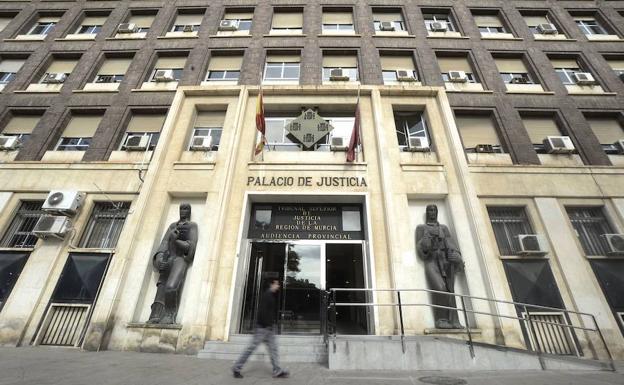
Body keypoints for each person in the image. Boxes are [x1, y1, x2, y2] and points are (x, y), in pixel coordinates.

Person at [147, 203, 198, 324]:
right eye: (181, 208)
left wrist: (176, 241)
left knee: (171, 286)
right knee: (161, 286)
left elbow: (191, 246)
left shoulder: (192, 226)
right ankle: (156, 315)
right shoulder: (172, 226)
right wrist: (159, 258)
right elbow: (164, 243)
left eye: (185, 209)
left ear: (189, 211)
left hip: (180, 258)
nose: (183, 211)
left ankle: (170, 314)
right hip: (168, 256)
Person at [416, 204, 464, 329]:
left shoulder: (444, 228)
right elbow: (420, 248)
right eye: (429, 210)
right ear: (427, 213)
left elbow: (451, 244)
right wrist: (425, 244)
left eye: (434, 210)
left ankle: (454, 321)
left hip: (445, 260)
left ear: (437, 212)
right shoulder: (421, 228)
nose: (432, 212)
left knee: (450, 290)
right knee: (440, 288)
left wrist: (457, 256)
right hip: (431, 260)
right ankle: (441, 319)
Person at [232, 279, 289, 379]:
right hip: (263, 328)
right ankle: (236, 368)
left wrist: (271, 325)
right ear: (271, 284)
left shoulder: (270, 295)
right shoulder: (267, 296)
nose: (278, 286)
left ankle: (277, 370)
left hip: (269, 328)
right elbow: (262, 312)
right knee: (251, 348)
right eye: (276, 284)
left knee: (273, 349)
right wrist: (266, 325)